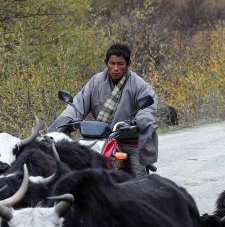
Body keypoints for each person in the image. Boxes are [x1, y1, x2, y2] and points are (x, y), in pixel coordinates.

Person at [49, 43, 159, 173]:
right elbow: (79, 103)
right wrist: (66, 120)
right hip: (99, 140)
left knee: (139, 177)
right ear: (106, 63)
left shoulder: (138, 84)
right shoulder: (96, 81)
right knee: (76, 168)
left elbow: (149, 106)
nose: (115, 68)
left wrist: (140, 119)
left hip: (128, 140)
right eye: (112, 63)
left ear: (128, 64)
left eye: (120, 64)